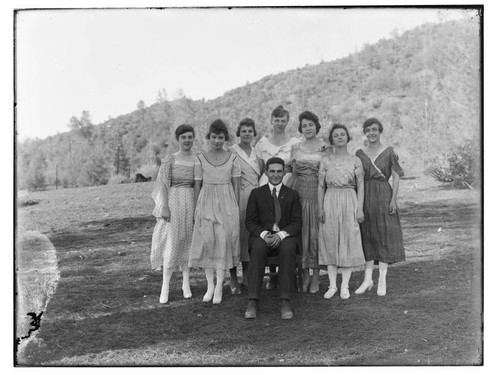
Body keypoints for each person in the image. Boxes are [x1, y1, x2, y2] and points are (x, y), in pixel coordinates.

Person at [188, 119, 241, 304]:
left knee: (223, 242)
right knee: (208, 242)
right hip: (206, 201)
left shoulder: (233, 157)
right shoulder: (200, 158)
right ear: (208, 138)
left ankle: (220, 285)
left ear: (225, 138)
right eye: (214, 137)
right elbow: (197, 185)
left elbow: (236, 186)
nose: (217, 141)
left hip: (226, 202)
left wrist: (235, 209)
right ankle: (210, 286)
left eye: (220, 137)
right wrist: (196, 209)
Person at [244, 157, 302, 320]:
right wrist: (264, 234)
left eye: (279, 171)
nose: (276, 175)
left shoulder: (292, 195)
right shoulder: (256, 194)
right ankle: (253, 300)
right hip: (262, 236)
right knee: (258, 248)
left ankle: (285, 300)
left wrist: (280, 235)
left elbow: (297, 223)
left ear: (284, 172)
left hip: (284, 236)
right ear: (266, 172)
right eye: (272, 171)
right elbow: (250, 221)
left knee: (288, 248)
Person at [354, 117, 405, 296]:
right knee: (367, 234)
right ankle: (367, 279)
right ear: (365, 133)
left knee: (383, 235)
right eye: (368, 130)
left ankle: (382, 279)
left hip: (384, 193)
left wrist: (393, 199)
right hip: (365, 195)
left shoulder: (389, 151)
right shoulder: (359, 153)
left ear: (380, 131)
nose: (371, 133)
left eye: (374, 129)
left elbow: (396, 175)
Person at [254, 105, 300, 289]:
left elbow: (296, 168)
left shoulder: (295, 143)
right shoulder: (262, 143)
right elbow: (259, 168)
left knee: (285, 221)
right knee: (268, 222)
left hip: (288, 179)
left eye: (283, 120)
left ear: (287, 122)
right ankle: (271, 276)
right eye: (276, 120)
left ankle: (286, 274)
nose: (279, 123)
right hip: (267, 181)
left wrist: (288, 185)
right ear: (271, 121)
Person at [318, 124, 366, 300]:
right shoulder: (326, 161)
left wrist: (359, 208)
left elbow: (361, 186)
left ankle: (345, 285)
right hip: (330, 199)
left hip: (349, 200)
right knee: (330, 240)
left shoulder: (355, 160)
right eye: (336, 135)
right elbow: (320, 185)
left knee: (348, 240)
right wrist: (320, 207)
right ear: (332, 139)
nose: (339, 137)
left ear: (348, 137)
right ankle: (332, 285)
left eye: (342, 134)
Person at [150, 124, 197, 304]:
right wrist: (165, 206)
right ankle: (166, 286)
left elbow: (198, 183)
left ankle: (186, 284)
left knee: (187, 240)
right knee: (172, 240)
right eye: (183, 137)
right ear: (178, 139)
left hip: (190, 200)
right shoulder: (170, 159)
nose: (187, 140)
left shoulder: (196, 159)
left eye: (190, 137)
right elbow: (162, 183)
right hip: (174, 199)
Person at [286, 111, 331, 293]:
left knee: (316, 234)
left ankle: (316, 276)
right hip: (300, 192)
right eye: (304, 125)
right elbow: (294, 174)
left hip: (319, 192)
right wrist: (282, 195)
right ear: (300, 128)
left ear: (317, 126)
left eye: (311, 124)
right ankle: (304, 273)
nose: (308, 128)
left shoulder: (325, 148)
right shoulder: (296, 148)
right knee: (302, 233)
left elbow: (330, 172)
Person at [228, 118, 261, 292]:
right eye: (244, 131)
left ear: (254, 133)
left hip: (254, 198)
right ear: (238, 133)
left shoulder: (258, 153)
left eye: (250, 131)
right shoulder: (231, 151)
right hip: (237, 196)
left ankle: (247, 277)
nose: (247, 134)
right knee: (235, 235)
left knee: (250, 236)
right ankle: (233, 277)